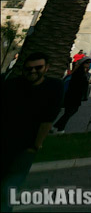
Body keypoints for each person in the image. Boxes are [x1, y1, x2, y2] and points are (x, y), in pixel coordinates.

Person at [1, 52, 64, 197]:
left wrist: (36, 145)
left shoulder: (54, 87)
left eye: (38, 67)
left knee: (8, 189)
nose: (33, 71)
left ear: (46, 68)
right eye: (29, 68)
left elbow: (47, 120)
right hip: (4, 141)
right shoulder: (11, 85)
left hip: (25, 147)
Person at [54, 60, 90, 133]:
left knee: (70, 112)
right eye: (87, 63)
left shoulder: (81, 72)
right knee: (70, 112)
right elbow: (78, 83)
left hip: (74, 96)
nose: (88, 64)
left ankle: (56, 126)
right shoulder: (79, 72)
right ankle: (60, 129)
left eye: (89, 63)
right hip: (73, 95)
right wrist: (87, 82)